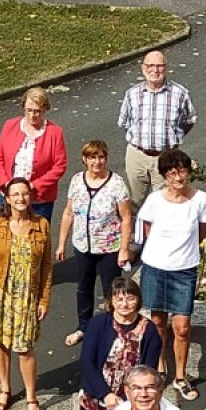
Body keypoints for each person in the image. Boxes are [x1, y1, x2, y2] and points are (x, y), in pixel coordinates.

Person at [137, 149, 206, 402]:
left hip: (184, 269)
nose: (178, 177)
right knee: (158, 321)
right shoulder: (155, 201)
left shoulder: (200, 199)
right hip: (156, 267)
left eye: (181, 171)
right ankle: (160, 370)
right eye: (172, 172)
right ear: (164, 175)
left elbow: (202, 232)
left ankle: (181, 376)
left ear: (188, 172)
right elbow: (148, 230)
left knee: (181, 327)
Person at [0, 179, 54, 410]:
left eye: (24, 194)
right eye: (15, 195)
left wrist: (44, 298)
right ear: (7, 199)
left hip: (26, 296)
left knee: (25, 347)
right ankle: (6, 389)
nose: (20, 198)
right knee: (0, 342)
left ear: (30, 197)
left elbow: (47, 266)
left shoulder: (41, 225)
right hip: (0, 292)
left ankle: (31, 397)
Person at [56, 140, 135, 347]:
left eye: (101, 157)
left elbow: (126, 218)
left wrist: (124, 249)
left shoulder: (116, 184)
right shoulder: (76, 181)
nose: (97, 162)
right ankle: (84, 326)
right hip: (83, 244)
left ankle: (112, 328)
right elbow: (68, 212)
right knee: (84, 287)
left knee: (111, 290)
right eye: (92, 157)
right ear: (85, 159)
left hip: (109, 246)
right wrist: (61, 243)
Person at [77, 278, 163, 410]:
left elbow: (148, 370)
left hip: (131, 400)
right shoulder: (98, 324)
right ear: (111, 301)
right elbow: (87, 362)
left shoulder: (149, 330)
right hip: (96, 396)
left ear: (138, 300)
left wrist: (127, 398)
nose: (124, 304)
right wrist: (106, 394)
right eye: (119, 299)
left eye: (130, 299)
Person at [118, 51, 197, 201]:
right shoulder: (132, 94)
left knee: (166, 202)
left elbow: (190, 120)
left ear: (166, 68)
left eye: (159, 66)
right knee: (135, 203)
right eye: (150, 66)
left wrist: (171, 138)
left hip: (166, 157)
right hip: (137, 156)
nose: (155, 70)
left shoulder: (180, 94)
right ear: (143, 68)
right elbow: (124, 123)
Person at [0, 87, 68, 221]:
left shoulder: (55, 132)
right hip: (10, 195)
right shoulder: (10, 125)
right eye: (28, 110)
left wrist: (35, 185)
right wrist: (5, 183)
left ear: (45, 110)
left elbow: (60, 166)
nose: (32, 115)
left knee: (37, 238)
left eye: (37, 111)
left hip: (40, 200)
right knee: (7, 236)